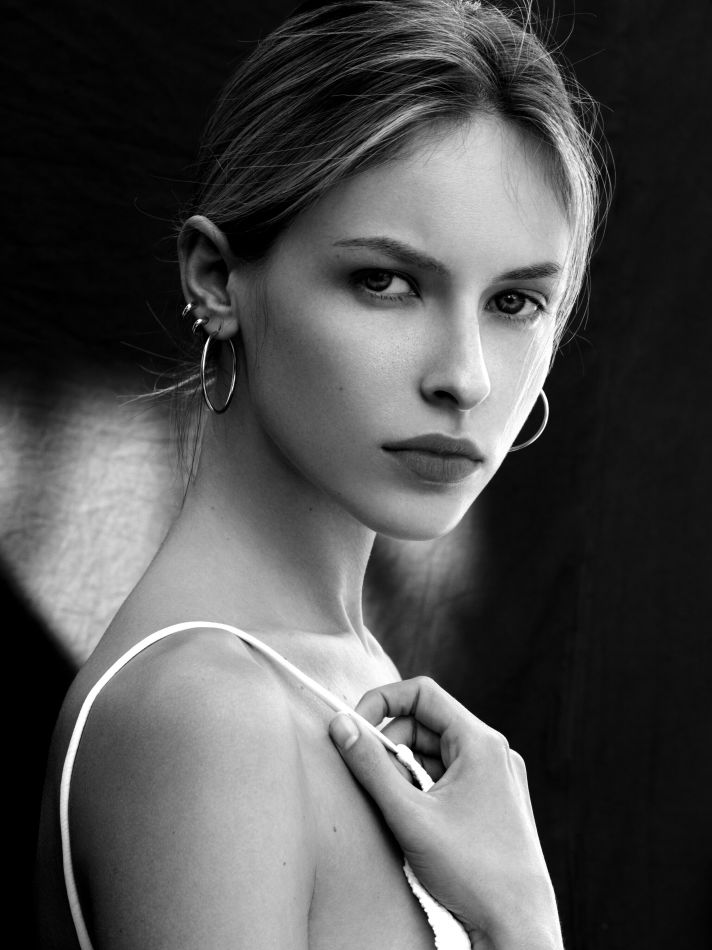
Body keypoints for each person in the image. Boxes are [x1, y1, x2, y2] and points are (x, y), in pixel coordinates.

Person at [35, 1, 602, 947]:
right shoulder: (207, 714)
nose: (464, 377)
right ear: (217, 279)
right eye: (386, 282)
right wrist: (521, 921)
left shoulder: (338, 667)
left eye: (514, 302)